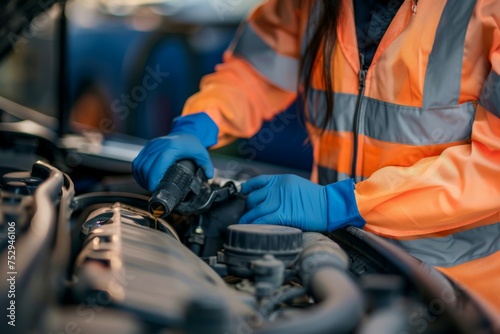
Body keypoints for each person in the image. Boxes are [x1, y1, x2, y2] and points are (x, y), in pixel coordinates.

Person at [133, 0, 500, 315]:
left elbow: (493, 165)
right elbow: (255, 71)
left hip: (459, 294)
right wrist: (198, 125)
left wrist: (340, 202)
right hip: (336, 260)